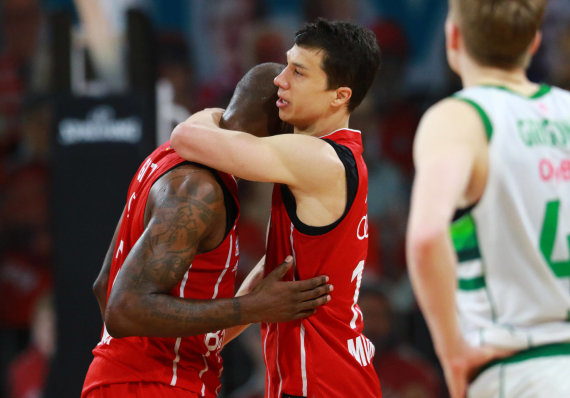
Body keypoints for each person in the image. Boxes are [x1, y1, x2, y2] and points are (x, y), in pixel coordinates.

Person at [81, 63, 333, 398]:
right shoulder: (198, 189)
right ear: (283, 128)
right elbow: (124, 307)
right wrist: (253, 308)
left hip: (132, 380)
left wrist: (254, 299)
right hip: (153, 386)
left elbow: (105, 285)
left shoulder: (168, 156)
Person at [171, 18, 382, 397]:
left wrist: (217, 116)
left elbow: (185, 137)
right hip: (324, 378)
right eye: (286, 64)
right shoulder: (331, 156)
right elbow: (278, 266)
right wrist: (213, 339)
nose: (280, 80)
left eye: (298, 73)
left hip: (322, 383)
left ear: (340, 96)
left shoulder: (318, 158)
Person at [406, 1, 570, 397]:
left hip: (519, 368)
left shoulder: (459, 118)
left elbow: (427, 237)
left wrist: (451, 352)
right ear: (534, 41)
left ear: (453, 37)